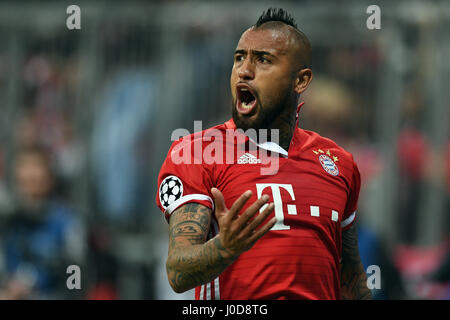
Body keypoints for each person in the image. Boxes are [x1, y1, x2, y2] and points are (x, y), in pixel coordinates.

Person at [156, 8, 371, 300]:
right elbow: (177, 273)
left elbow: (351, 276)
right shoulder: (197, 153)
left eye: (263, 59)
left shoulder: (338, 163)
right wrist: (225, 248)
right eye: (239, 58)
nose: (244, 70)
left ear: (301, 81)